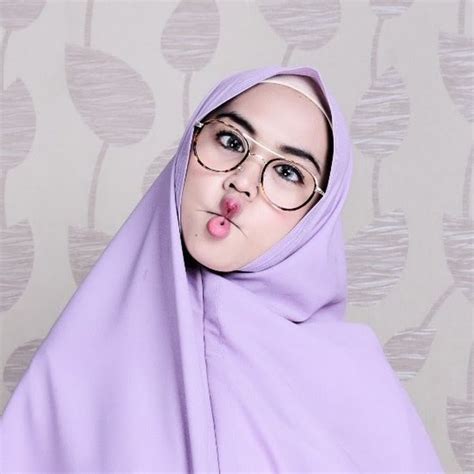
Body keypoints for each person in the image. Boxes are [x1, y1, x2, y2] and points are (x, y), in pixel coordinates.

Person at [0, 65, 444, 472]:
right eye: (231, 141)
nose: (242, 182)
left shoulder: (358, 385)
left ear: (317, 216)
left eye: (288, 172)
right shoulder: (81, 355)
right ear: (190, 144)